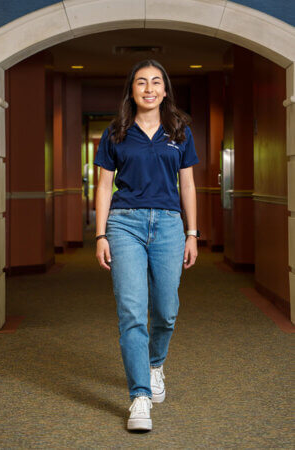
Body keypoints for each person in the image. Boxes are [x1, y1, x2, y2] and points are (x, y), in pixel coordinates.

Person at [94, 59, 199, 431]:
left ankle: (156, 364)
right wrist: (101, 234)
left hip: (169, 225)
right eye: (142, 82)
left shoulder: (180, 131)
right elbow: (105, 185)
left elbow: (187, 185)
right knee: (132, 311)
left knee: (167, 309)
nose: (149, 88)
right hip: (125, 224)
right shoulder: (116, 131)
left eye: (156, 82)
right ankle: (139, 396)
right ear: (132, 90)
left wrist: (192, 233)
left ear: (165, 90)